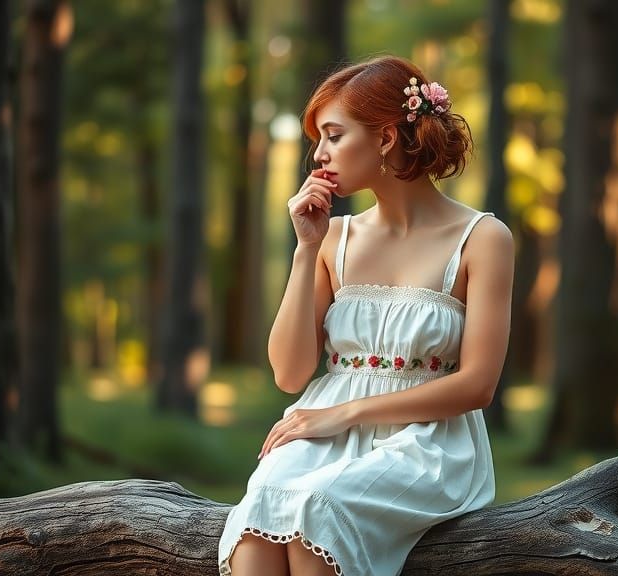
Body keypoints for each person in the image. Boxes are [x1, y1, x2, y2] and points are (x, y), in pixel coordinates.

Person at [218, 54, 514, 576]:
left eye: (333, 135)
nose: (319, 155)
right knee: (263, 503)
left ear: (384, 138)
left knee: (319, 508)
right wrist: (305, 250)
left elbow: (478, 387)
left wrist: (345, 412)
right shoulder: (334, 239)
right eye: (318, 139)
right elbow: (289, 375)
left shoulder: (483, 239)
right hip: (321, 436)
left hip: (428, 443)